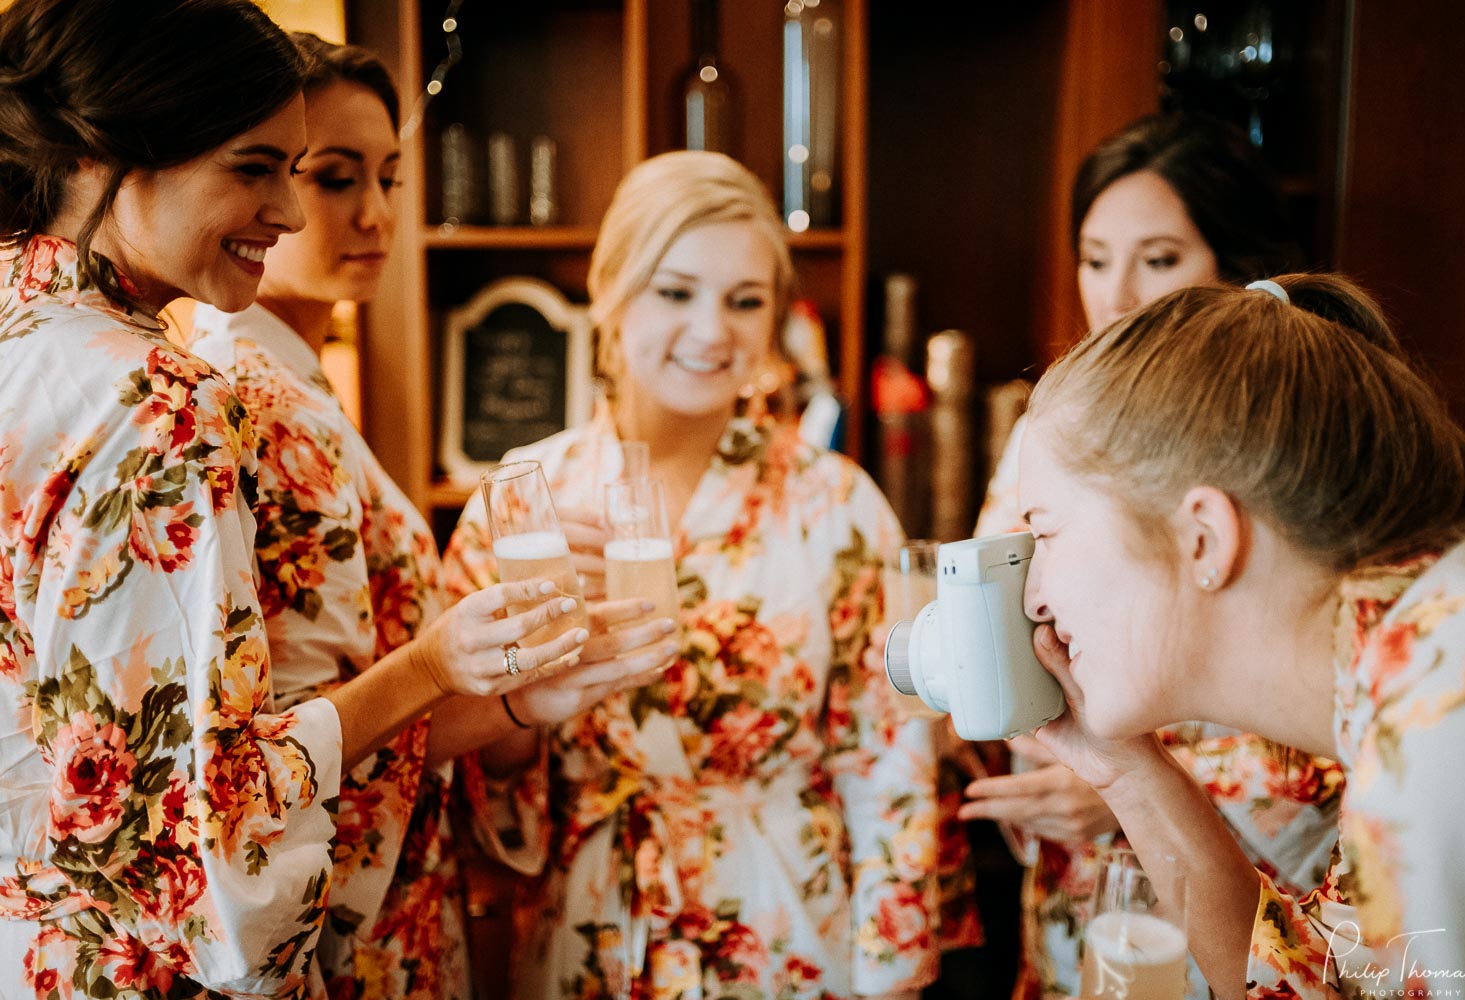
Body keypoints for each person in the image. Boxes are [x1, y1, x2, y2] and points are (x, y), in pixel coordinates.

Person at [0, 3, 587, 995]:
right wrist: (434, 666)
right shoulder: (154, 397)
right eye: (255, 166)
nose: (296, 213)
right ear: (111, 153)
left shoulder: (26, 339)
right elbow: (202, 817)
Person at [186, 33, 679, 998]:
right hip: (349, 897)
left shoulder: (303, 380)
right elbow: (310, 722)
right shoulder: (259, 400)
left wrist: (512, 678)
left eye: (390, 176)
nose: (374, 213)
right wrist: (496, 693)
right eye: (331, 178)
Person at [442, 150, 942, 1000]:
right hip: (594, 925)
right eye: (676, 292)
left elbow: (891, 757)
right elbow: (469, 758)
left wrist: (888, 978)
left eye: (745, 301)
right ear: (611, 291)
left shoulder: (839, 503)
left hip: (784, 921)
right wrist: (535, 676)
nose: (714, 331)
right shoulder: (525, 502)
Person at [1015, 272, 1465, 996]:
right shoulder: (1407, 685)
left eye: (1046, 533)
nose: (1035, 598)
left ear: (1204, 537)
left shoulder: (1450, 722)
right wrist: (1123, 769)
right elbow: (1319, 985)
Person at [957, 112, 1339, 1000]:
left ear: (1236, 264)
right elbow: (1023, 631)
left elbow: (1338, 703)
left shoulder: (1299, 454)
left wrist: (1140, 790)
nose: (1117, 292)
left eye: (1158, 258)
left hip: (1263, 880)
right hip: (1077, 883)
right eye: (1095, 259)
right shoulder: (1048, 434)